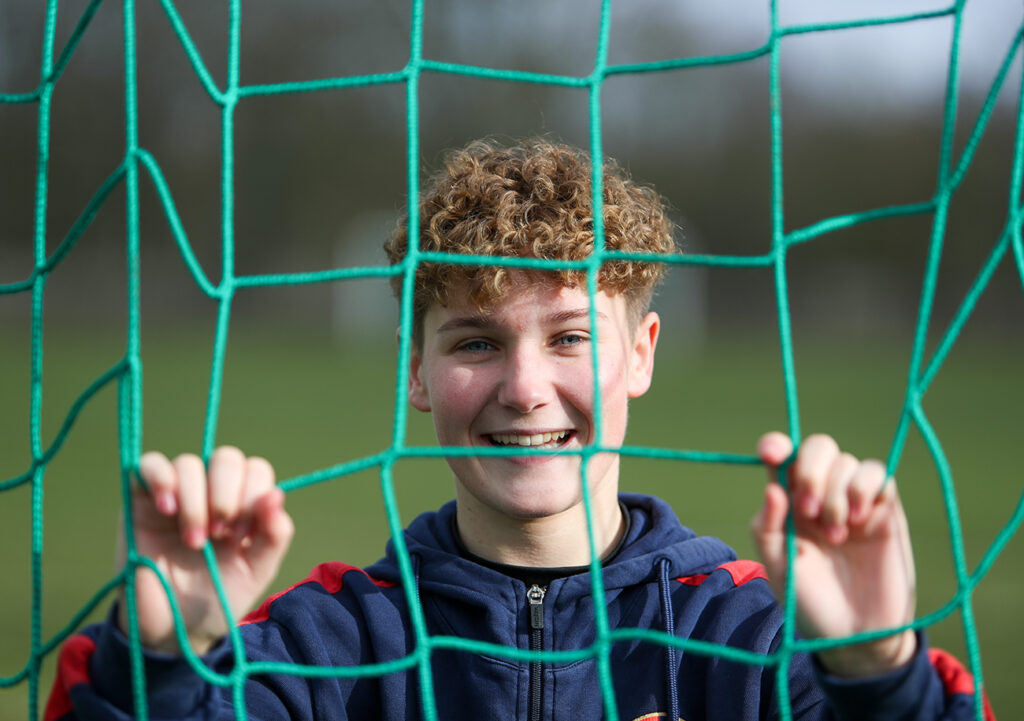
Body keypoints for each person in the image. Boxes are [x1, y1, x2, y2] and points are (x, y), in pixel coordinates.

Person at [46, 139, 991, 721]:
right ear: (415, 370)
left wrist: (881, 674)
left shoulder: (745, 636)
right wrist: (161, 667)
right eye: (476, 341)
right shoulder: (325, 646)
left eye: (571, 335)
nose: (526, 388)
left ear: (643, 352)